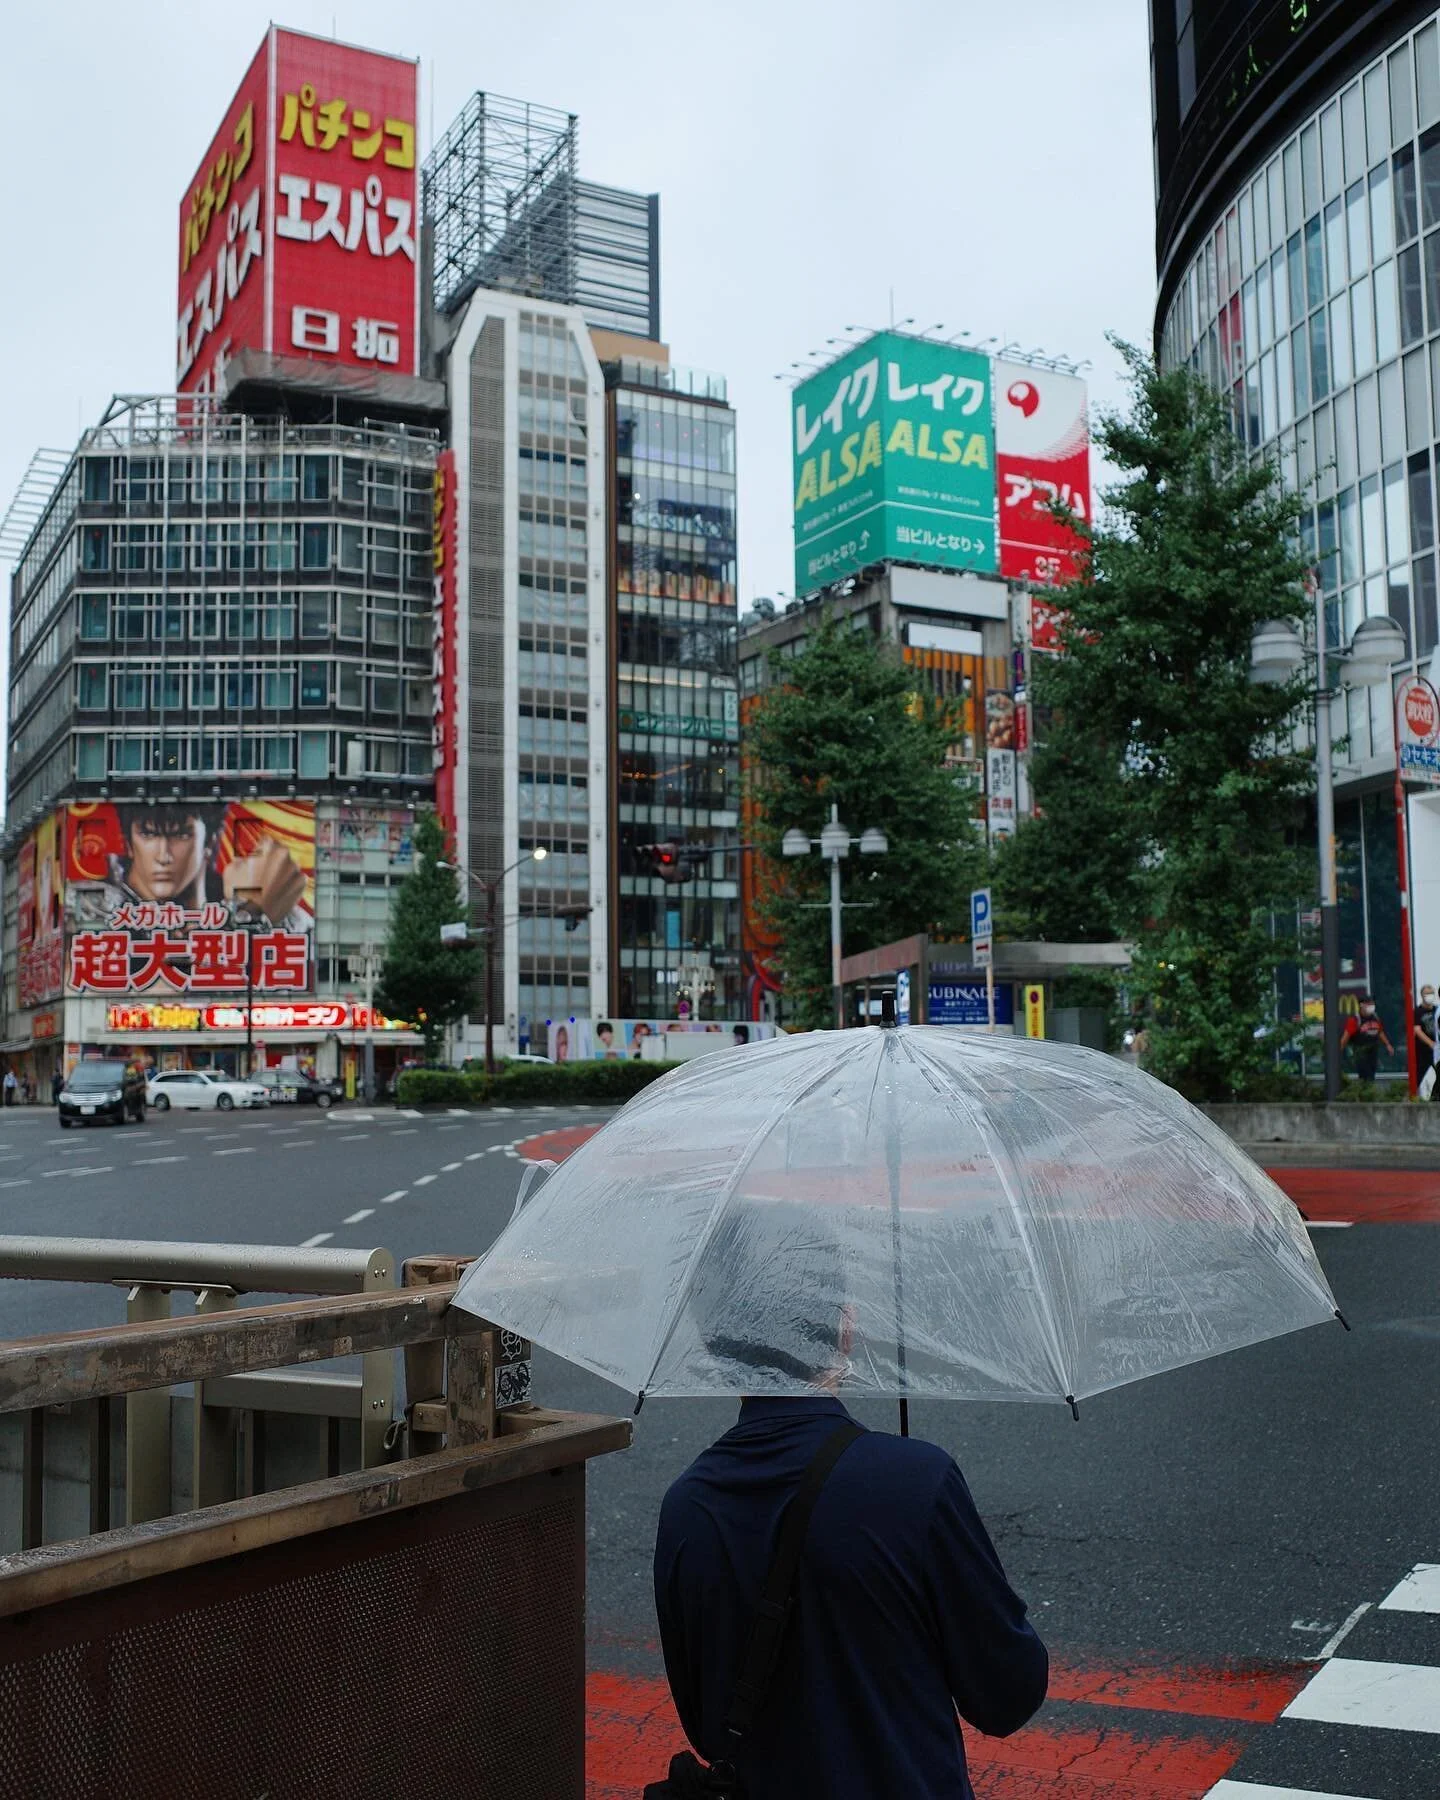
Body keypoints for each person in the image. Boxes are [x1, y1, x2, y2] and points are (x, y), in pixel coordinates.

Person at [653, 1207, 1048, 1799]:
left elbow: (710, 1728)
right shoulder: (916, 1482)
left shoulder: (687, 1507)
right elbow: (1007, 1695)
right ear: (845, 1328)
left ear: (715, 1345)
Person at [1342, 994, 1393, 1084]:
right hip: (1360, 1051)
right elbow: (1346, 1036)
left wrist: (1387, 1044)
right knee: (1364, 1075)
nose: (1372, 1006)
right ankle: (1365, 1092)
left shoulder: (1375, 1017)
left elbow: (1380, 1032)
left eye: (1372, 1004)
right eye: (1369, 1004)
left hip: (1373, 1050)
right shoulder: (1355, 1019)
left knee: (1371, 1074)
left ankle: (1369, 1092)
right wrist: (1339, 1050)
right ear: (1361, 1005)